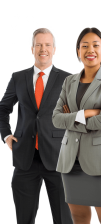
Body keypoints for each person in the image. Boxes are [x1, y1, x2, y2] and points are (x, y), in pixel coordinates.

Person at [0, 28, 72, 224]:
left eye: (47, 45)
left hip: (58, 158)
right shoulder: (18, 78)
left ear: (54, 49)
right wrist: (6, 135)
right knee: (24, 219)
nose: (43, 49)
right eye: (39, 45)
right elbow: (3, 109)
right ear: (32, 48)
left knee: (65, 219)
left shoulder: (68, 79)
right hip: (25, 158)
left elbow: (77, 114)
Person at [52, 27, 101, 224]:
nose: (90, 50)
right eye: (84, 46)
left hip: (100, 162)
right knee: (79, 217)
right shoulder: (68, 81)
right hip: (70, 162)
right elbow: (56, 119)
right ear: (78, 51)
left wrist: (71, 118)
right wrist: (85, 113)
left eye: (96, 45)